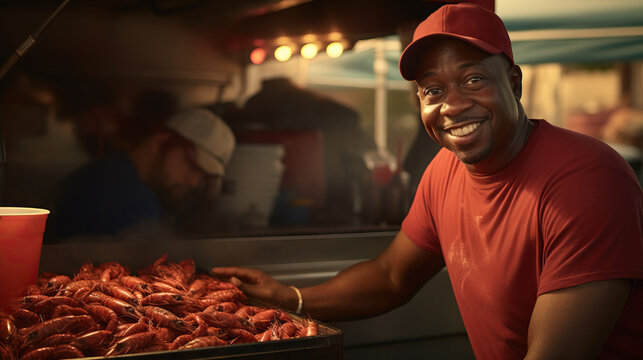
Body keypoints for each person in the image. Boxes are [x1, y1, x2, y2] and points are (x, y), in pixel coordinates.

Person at [211, 3, 643, 359]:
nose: (452, 105)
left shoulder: (587, 179)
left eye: (473, 79)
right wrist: (288, 298)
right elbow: (392, 275)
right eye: (433, 90)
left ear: (514, 83)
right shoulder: (444, 170)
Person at [46, 107, 236, 240]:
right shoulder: (120, 192)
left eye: (203, 176)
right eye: (192, 166)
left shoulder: (126, 175)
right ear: (160, 143)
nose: (195, 182)